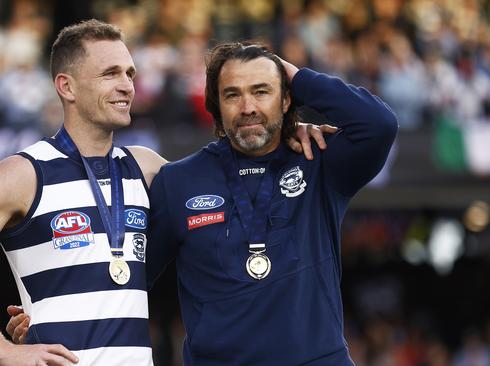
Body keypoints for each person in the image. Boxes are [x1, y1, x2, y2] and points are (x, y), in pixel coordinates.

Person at [0, 20, 327, 366]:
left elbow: (236, 184)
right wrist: (0, 349)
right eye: (110, 74)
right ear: (67, 86)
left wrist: (288, 133)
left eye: (130, 73)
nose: (127, 85)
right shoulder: (23, 173)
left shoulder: (147, 167)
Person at [144, 43, 397, 365]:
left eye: (262, 91)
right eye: (232, 94)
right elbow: (133, 282)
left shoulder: (319, 159)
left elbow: (379, 125)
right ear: (217, 105)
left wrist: (294, 75)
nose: (248, 106)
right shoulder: (177, 181)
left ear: (287, 98)